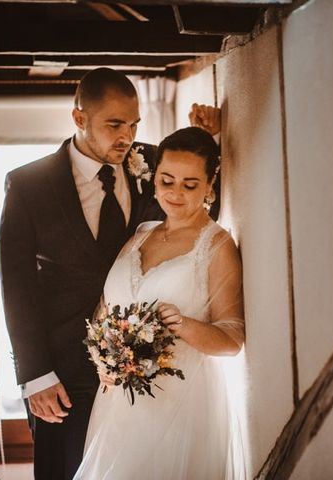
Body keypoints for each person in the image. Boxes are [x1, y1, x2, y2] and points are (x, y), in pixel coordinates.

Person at [0, 67, 220, 480]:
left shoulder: (153, 163)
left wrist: (212, 143)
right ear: (80, 119)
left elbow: (198, 212)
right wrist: (34, 375)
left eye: (134, 123)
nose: (127, 136)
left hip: (139, 366)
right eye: (114, 124)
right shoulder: (28, 185)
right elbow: (16, 286)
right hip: (60, 368)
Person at [73, 127, 245, 479]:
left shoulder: (217, 246)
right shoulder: (139, 235)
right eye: (167, 180)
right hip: (120, 404)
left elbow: (233, 338)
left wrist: (183, 324)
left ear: (210, 184)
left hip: (182, 403)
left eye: (190, 184)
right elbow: (106, 311)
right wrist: (103, 358)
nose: (175, 193)